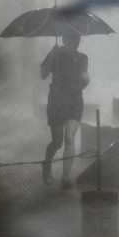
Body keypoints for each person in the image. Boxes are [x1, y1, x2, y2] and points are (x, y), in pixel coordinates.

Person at [40, 34, 90, 189]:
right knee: (57, 142)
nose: (75, 42)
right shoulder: (55, 54)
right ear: (64, 39)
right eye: (71, 39)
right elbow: (43, 75)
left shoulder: (82, 58)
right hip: (56, 102)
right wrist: (52, 55)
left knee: (69, 138)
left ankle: (65, 177)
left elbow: (83, 82)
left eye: (77, 39)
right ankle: (47, 164)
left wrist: (85, 80)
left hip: (74, 102)